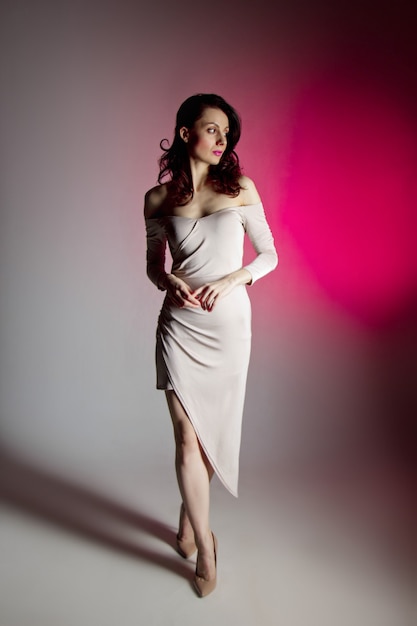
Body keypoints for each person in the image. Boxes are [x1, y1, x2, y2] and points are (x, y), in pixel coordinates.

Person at [144, 93, 278, 597]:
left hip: (228, 330)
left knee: (204, 440)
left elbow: (269, 255)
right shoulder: (156, 201)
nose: (222, 140)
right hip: (180, 327)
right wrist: (168, 282)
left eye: (227, 133)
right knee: (184, 436)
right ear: (185, 134)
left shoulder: (241, 188)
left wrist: (234, 279)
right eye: (212, 129)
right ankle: (205, 540)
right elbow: (154, 267)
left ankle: (188, 515)